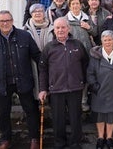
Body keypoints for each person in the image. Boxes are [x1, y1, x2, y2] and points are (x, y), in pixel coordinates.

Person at [0, 10, 41, 149]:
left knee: (31, 110)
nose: (5, 23)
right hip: (2, 83)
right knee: (3, 113)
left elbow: (37, 56)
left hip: (24, 81)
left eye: (7, 20)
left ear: (12, 21)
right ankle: (6, 140)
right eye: (1, 21)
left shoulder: (25, 36)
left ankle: (34, 139)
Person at [39, 17, 89, 149]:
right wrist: (43, 89)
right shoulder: (49, 48)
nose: (60, 30)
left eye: (63, 27)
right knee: (58, 119)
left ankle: (75, 143)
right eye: (57, 28)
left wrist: (82, 80)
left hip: (75, 88)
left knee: (75, 118)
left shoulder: (77, 44)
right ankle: (59, 143)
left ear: (69, 28)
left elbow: (85, 64)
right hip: (56, 89)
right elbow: (43, 70)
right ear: (54, 30)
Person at [65, 0, 97, 112]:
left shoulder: (86, 18)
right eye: (73, 4)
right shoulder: (65, 20)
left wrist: (89, 27)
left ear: (81, 5)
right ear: (69, 6)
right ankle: (73, 102)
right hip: (71, 54)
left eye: (77, 3)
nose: (75, 6)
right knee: (74, 76)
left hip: (87, 52)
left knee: (85, 76)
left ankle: (83, 101)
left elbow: (95, 32)